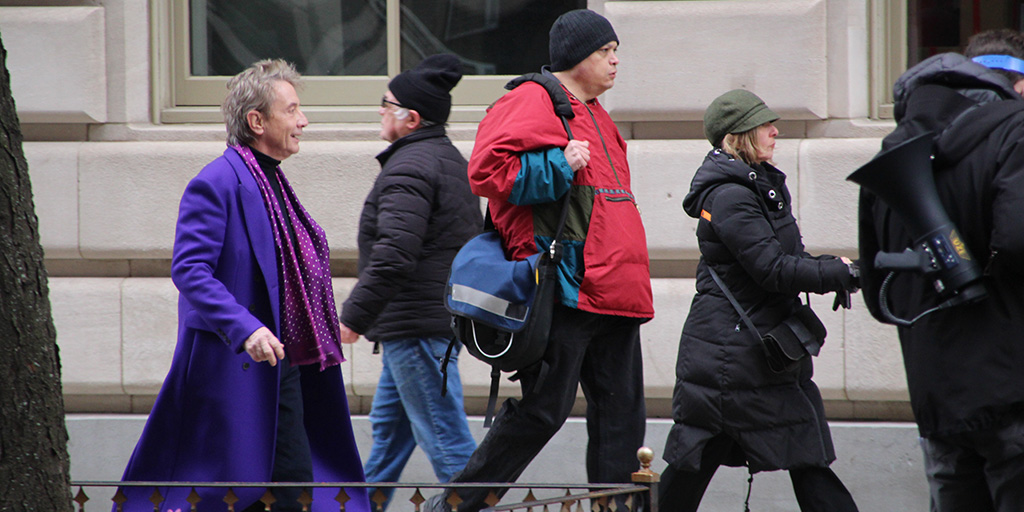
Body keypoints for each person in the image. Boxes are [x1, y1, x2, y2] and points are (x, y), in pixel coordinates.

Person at [425, 9, 654, 512]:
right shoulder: (533, 98)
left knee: (621, 421)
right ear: (576, 57)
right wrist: (558, 162)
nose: (616, 61)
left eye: (616, 51)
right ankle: (459, 505)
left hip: (617, 293)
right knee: (543, 412)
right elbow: (487, 172)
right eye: (605, 52)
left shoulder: (598, 112)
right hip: (567, 287)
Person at [117, 59, 370, 512]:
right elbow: (190, 269)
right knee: (260, 488)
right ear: (257, 121)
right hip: (236, 370)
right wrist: (246, 329)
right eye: (291, 110)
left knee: (284, 486)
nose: (303, 120)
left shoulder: (272, 179)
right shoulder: (216, 182)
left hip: (284, 363)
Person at [659, 89, 861, 512]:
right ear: (740, 135)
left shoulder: (758, 184)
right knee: (797, 458)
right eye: (765, 124)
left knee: (702, 465)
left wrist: (837, 269)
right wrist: (834, 272)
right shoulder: (731, 195)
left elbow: (786, 259)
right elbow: (771, 268)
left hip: (750, 355)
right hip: (732, 361)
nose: (775, 131)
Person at [858, 29, 1024, 511]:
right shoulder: (1015, 132)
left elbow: (877, 295)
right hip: (1011, 387)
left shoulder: (888, 156)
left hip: (937, 398)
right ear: (1014, 86)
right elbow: (1016, 241)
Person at [337, 54, 480, 510]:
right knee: (386, 446)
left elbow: (394, 255)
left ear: (411, 117)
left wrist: (353, 319)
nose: (379, 110)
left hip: (417, 331)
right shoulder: (446, 159)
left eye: (386, 103)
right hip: (427, 326)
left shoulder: (409, 167)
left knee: (449, 446)